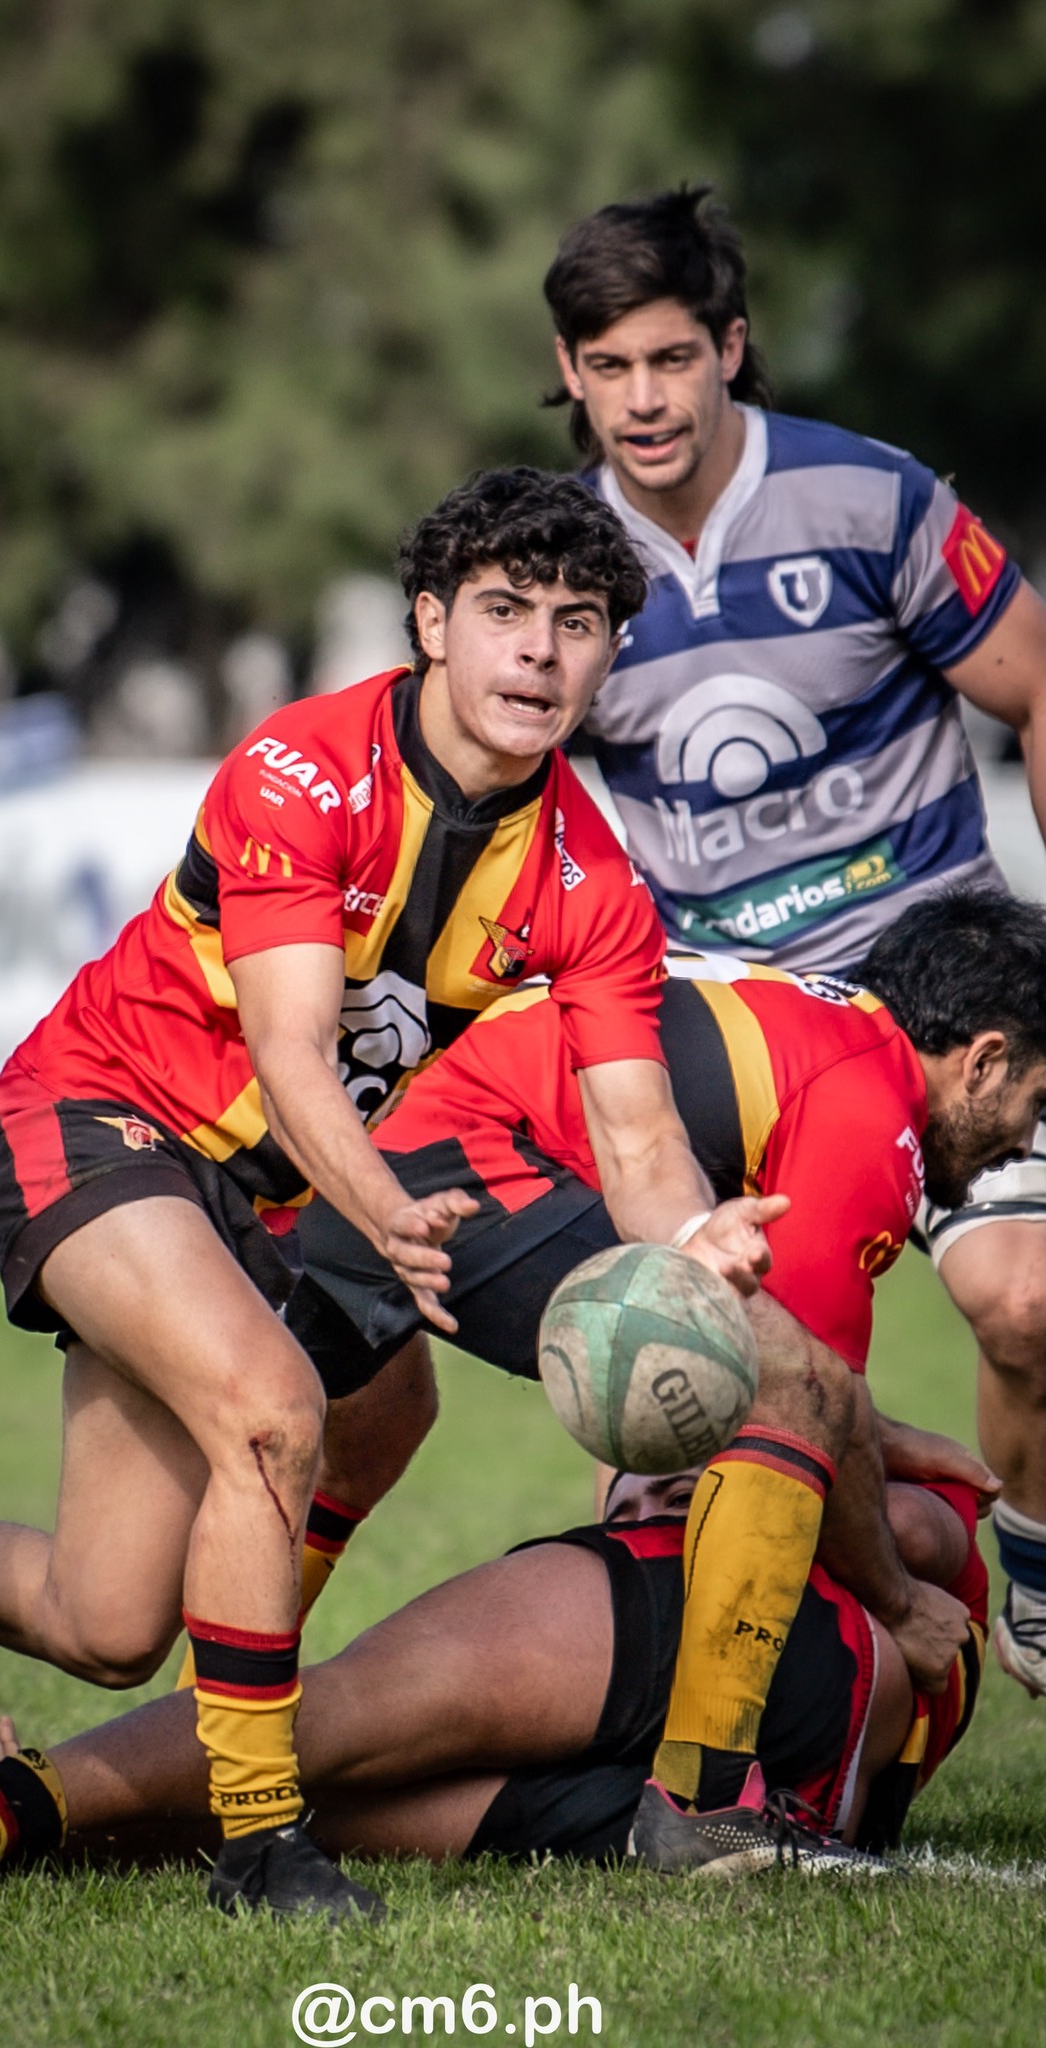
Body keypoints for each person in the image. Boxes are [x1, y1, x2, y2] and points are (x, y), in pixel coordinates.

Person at [0, 468, 782, 1922]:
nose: (539, 651)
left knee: (104, 1623)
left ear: (607, 656)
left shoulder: (591, 875)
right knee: (278, 1407)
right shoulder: (301, 766)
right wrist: (387, 1214)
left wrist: (684, 1246)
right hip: (94, 1123)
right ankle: (256, 1840)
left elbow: (633, 1126)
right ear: (429, 625)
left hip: (250, 1199)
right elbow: (290, 1051)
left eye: (578, 623)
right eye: (503, 613)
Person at [542, 186, 1046, 1697]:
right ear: (568, 373)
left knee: (1022, 1298)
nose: (642, 399)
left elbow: (1028, 681)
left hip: (932, 981)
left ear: (729, 350)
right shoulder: (557, 558)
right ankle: (661, 1702)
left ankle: (1024, 1549)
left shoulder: (869, 500)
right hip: (728, 1027)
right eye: (609, 365)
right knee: (684, 1389)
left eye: (671, 359)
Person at [280, 886, 1043, 1870]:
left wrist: (883, 1435)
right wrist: (897, 1601)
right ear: (981, 1057)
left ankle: (201, 1734)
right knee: (786, 1384)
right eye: (1035, 1099)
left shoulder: (817, 1022)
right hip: (471, 1166)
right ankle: (704, 1796)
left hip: (380, 1166)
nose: (1023, 1141)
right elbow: (798, 1389)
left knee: (336, 1456)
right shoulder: (876, 1098)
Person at [0, 1459, 987, 1884]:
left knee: (318, 1729)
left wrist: (825, 1441)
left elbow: (929, 1538)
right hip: (720, 1784)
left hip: (757, 1654)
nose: (658, 1478)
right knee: (310, 1792)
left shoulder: (846, 1480)